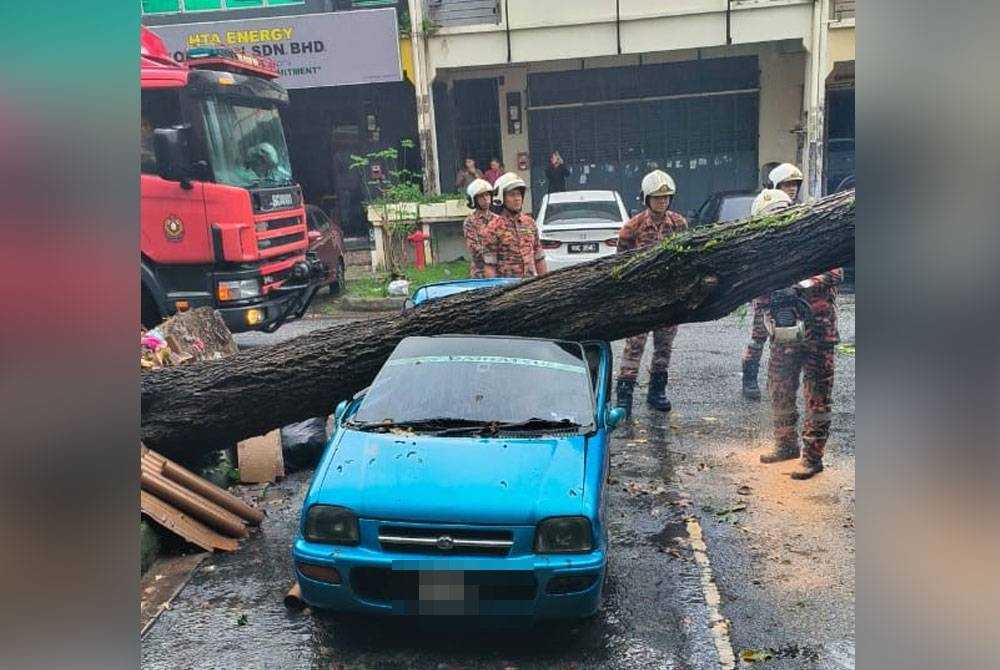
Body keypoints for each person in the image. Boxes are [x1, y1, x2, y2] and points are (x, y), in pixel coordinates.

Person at [750, 187, 843, 480]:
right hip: (784, 332)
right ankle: (785, 444)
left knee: (817, 394)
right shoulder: (765, 251)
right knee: (780, 388)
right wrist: (764, 325)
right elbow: (760, 296)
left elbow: (836, 271)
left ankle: (812, 457)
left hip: (819, 329)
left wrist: (802, 285)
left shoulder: (815, 238)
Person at [614, 170, 688, 418]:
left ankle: (657, 391)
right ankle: (624, 395)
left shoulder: (679, 223)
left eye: (666, 197)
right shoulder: (631, 228)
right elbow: (620, 265)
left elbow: (685, 259)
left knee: (664, 346)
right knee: (634, 346)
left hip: (669, 297)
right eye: (657, 197)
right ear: (646, 198)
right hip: (640, 298)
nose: (662, 202)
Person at [740, 162, 805, 400]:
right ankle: (749, 376)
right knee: (759, 336)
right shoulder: (764, 207)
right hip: (765, 288)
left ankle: (780, 381)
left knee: (787, 334)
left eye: (795, 185)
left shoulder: (800, 212)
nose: (792, 189)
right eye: (787, 184)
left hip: (791, 287)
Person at [482, 172, 547, 278]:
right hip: (508, 289)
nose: (517, 198)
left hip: (531, 286)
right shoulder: (493, 228)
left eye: (519, 194)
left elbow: (539, 257)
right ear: (501, 198)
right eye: (512, 195)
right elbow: (489, 266)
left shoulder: (529, 223)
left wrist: (545, 285)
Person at [463, 178, 498, 279]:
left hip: (499, 270)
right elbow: (474, 247)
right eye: (481, 196)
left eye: (487, 195)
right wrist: (495, 255)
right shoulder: (470, 221)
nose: (486, 198)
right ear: (474, 200)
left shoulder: (498, 219)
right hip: (480, 272)